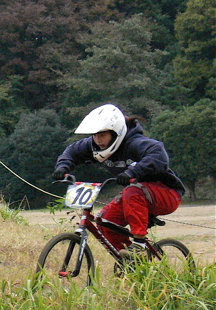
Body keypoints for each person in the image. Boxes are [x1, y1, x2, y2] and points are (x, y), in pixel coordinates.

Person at [52, 103, 185, 263]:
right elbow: (72, 152)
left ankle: (139, 244)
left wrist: (132, 172)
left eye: (102, 135)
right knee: (104, 221)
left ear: (116, 133)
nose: (97, 140)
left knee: (132, 190)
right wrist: (62, 167)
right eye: (94, 135)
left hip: (167, 194)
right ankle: (132, 265)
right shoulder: (95, 144)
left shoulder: (134, 142)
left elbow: (159, 155)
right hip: (137, 195)